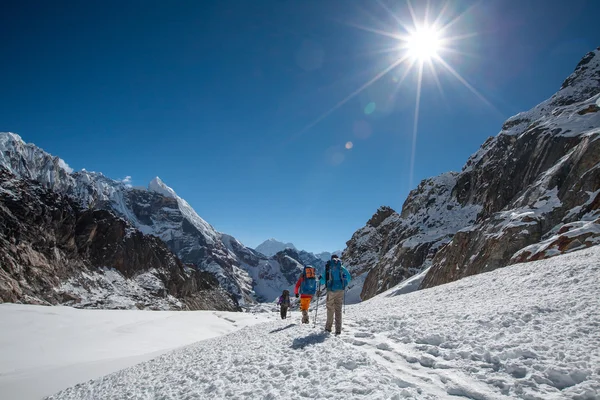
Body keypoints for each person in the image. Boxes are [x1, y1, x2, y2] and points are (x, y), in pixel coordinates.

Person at [319, 255, 351, 335]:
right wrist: (344, 284)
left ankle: (328, 328)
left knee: (330, 309)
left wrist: (320, 278)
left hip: (331, 290)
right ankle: (338, 330)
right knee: (338, 310)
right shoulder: (341, 267)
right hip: (340, 290)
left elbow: (323, 281)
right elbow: (349, 277)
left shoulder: (329, 267)